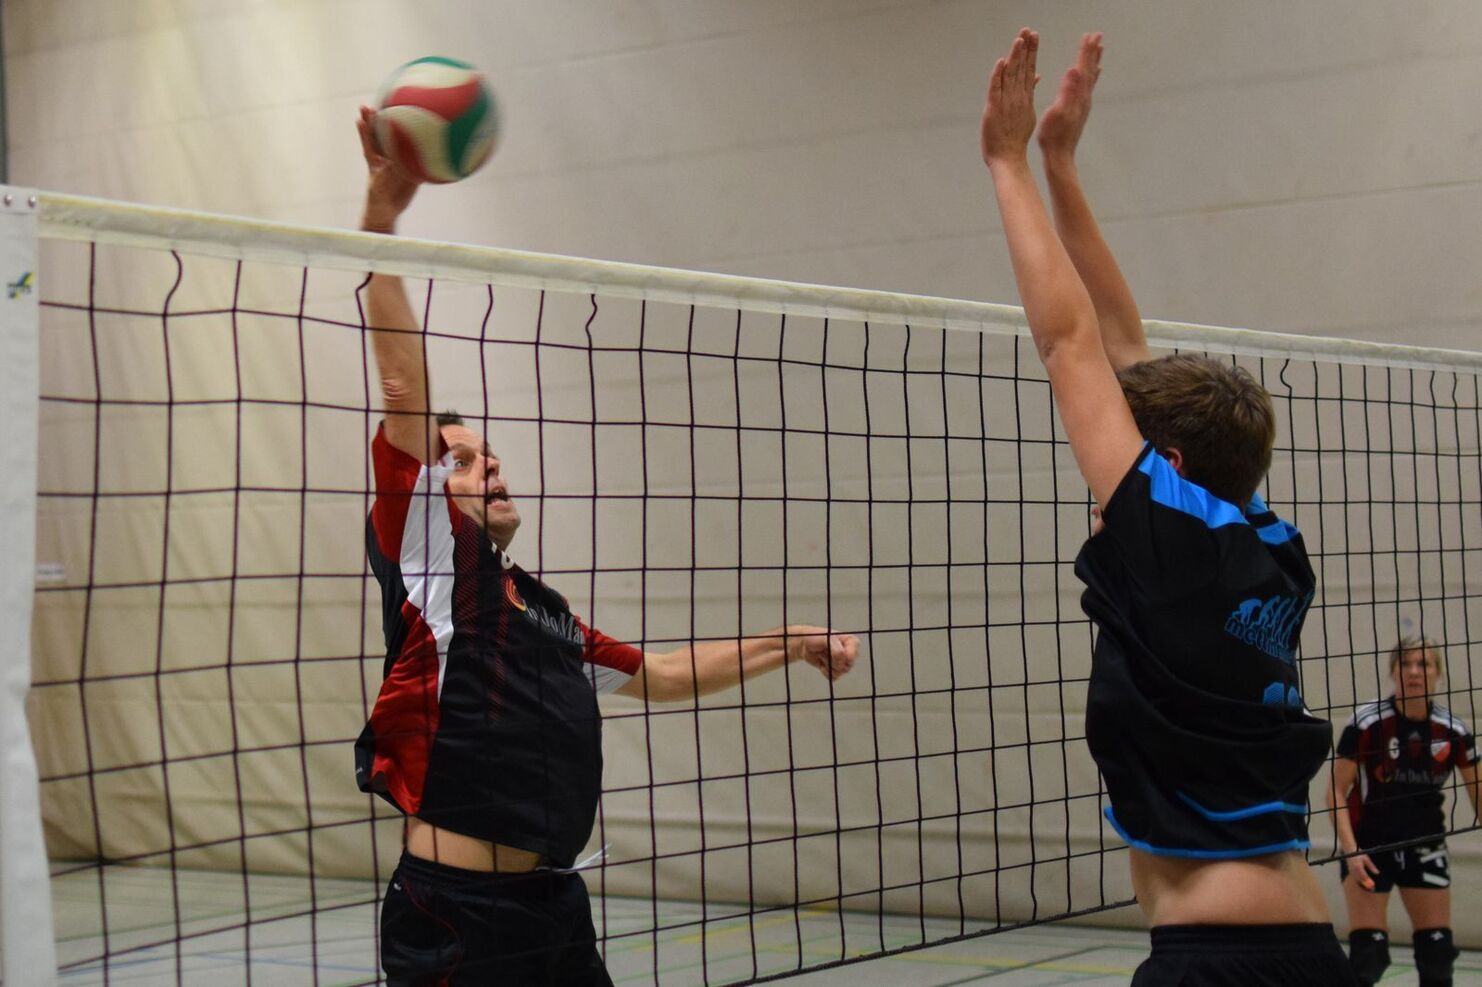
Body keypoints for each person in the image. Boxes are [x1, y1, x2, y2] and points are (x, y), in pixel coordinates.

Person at [349, 105, 860, 986]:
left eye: (490, 454)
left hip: (553, 908)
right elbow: (401, 384)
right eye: (461, 461)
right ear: (428, 492)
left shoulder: (540, 613)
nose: (489, 465)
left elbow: (660, 673)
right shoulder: (435, 569)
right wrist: (380, 221)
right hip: (457, 918)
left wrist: (792, 641)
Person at [980, 30, 1355, 983]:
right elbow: (1123, 346)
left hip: (1217, 959)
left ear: (1171, 465)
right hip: (1304, 947)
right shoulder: (1264, 543)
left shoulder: (1174, 545)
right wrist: (1063, 164)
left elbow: (1071, 344)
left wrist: (1006, 162)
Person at [1328, 636, 1479, 987]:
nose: (1414, 672)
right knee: (1368, 958)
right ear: (1393, 672)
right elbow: (1335, 792)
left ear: (1437, 673)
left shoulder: (1453, 730)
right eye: (1405, 664)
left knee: (1437, 956)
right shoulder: (1367, 723)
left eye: (1423, 664)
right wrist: (1351, 852)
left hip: (1425, 847)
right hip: (1369, 847)